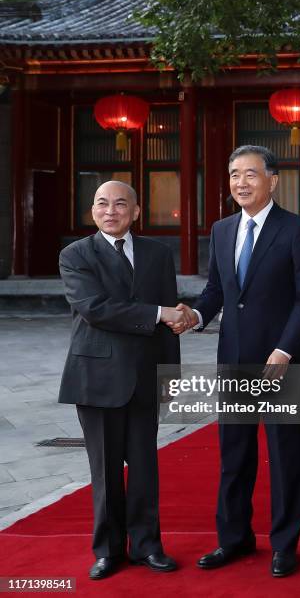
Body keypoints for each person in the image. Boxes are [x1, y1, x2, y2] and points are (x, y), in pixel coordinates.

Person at [174, 145, 300, 577]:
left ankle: (284, 544)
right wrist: (196, 315)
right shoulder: (221, 230)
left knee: (284, 456)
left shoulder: (297, 229)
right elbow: (218, 291)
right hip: (234, 358)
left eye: (250, 174)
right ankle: (234, 540)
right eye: (235, 174)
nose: (241, 182)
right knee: (234, 456)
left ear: (273, 180)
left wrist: (284, 349)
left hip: (282, 360)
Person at [59, 180, 184, 580]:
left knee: (145, 467)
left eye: (119, 204)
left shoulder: (158, 254)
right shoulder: (76, 255)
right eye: (101, 204)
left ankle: (148, 546)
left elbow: (168, 322)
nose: (110, 211)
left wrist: (171, 376)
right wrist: (160, 313)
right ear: (92, 211)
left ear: (135, 211)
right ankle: (108, 551)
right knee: (107, 469)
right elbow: (96, 308)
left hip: (145, 375)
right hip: (97, 376)